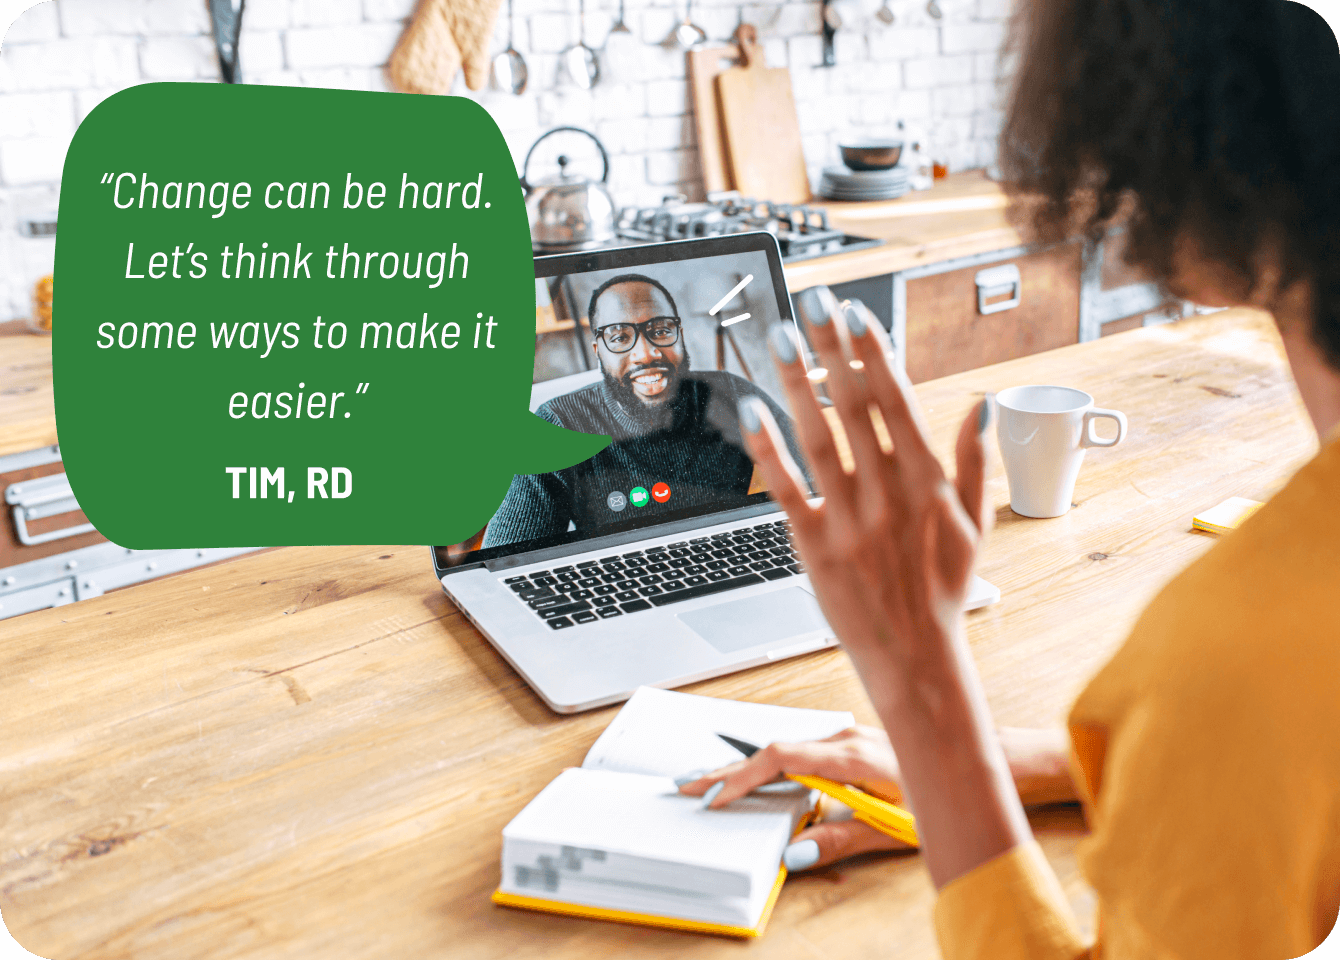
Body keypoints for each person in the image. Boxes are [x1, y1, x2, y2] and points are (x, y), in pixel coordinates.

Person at [678, 1, 1340, 956]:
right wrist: (1029, 764)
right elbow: (1277, 763)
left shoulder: (1248, 647)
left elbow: (1254, 709)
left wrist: (923, 691)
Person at [483, 274, 808, 548]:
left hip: (728, 559)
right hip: (619, 583)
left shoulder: (731, 394)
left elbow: (820, 480)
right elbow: (502, 562)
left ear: (680, 335)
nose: (646, 353)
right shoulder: (558, 425)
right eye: (620, 336)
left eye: (662, 330)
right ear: (598, 350)